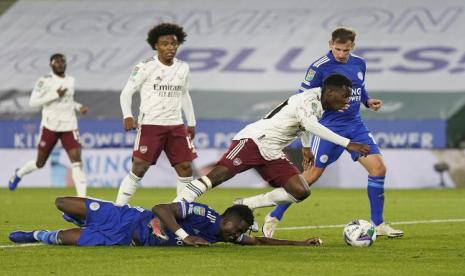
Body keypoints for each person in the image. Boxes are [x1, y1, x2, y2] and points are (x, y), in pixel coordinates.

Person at [260, 27, 404, 238]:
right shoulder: (319, 68)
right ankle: (273, 216)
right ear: (330, 44)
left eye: (345, 50)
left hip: (356, 126)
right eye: (337, 49)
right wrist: (306, 139)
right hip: (328, 128)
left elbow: (358, 87)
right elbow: (302, 100)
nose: (341, 54)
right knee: (310, 177)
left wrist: (366, 101)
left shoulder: (359, 63)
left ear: (352, 47)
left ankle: (378, 223)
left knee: (378, 169)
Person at [174, 74, 370, 209]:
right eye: (344, 96)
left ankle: (245, 205)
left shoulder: (319, 103)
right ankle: (176, 207)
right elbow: (310, 124)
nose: (347, 101)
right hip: (253, 141)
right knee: (216, 177)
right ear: (330, 92)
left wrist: (306, 147)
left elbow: (303, 124)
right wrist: (347, 143)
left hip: (272, 151)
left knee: (300, 191)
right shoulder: (308, 100)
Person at [8, 196, 323, 247]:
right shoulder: (204, 215)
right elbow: (161, 208)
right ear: (226, 218)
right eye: (236, 229)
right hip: (125, 217)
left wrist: (299, 243)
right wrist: (184, 236)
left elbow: (259, 241)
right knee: (62, 202)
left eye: (239, 233)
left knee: (61, 239)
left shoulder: (222, 236)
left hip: (122, 241)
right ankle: (75, 214)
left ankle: (37, 234)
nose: (236, 236)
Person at [116, 23, 197, 205]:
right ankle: (118, 210)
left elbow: (184, 95)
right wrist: (127, 115)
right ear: (156, 46)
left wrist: (191, 122)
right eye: (165, 44)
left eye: (174, 44)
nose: (171, 47)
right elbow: (127, 92)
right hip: (151, 124)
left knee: (185, 168)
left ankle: (182, 210)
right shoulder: (144, 66)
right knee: (139, 167)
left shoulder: (183, 67)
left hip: (176, 125)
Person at [8, 53, 88, 197]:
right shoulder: (45, 80)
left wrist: (78, 106)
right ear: (51, 65)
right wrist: (55, 95)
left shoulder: (71, 80)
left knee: (76, 160)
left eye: (62, 62)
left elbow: (67, 100)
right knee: (40, 163)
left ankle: (82, 200)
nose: (59, 64)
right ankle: (19, 173)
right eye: (56, 62)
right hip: (50, 126)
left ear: (65, 64)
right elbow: (33, 102)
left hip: (69, 125)